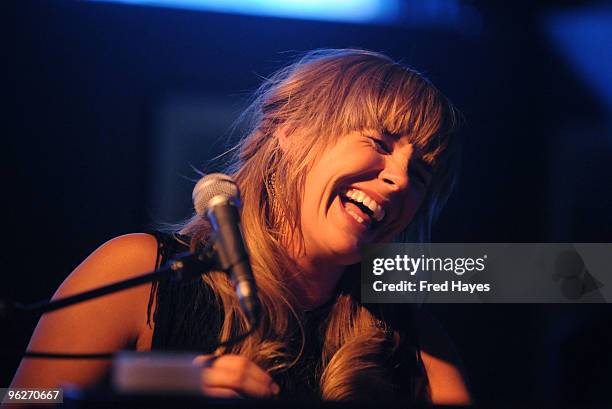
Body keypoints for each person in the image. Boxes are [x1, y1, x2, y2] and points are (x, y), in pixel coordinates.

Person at [11, 49, 471, 405]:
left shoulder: (414, 340)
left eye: (422, 174)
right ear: (289, 131)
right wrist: (137, 391)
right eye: (379, 142)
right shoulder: (138, 270)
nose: (400, 179)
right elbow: (21, 397)